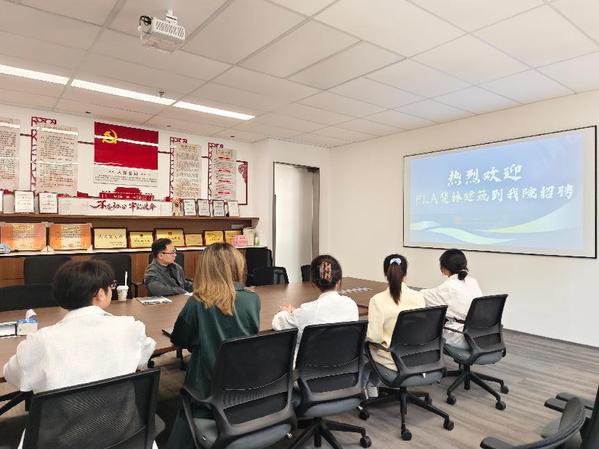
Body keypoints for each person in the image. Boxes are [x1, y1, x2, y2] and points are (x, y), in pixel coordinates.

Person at [3, 260, 156, 448]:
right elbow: (145, 356)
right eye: (110, 286)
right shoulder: (130, 327)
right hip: (125, 435)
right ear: (100, 294)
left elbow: (13, 376)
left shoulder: (41, 340)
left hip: (60, 441)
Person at [166, 243, 260, 449]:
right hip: (244, 384)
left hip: (206, 387)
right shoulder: (252, 299)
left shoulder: (198, 301)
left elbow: (179, 339)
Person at [271, 255, 359, 343]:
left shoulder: (308, 311)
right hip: (344, 352)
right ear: (339, 282)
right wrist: (296, 313)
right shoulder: (351, 305)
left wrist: (286, 312)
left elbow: (278, 324)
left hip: (312, 352)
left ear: (313, 283)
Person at [367, 254, 425, 371]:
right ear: (406, 274)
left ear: (385, 274)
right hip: (417, 356)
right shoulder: (419, 297)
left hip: (392, 359)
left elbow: (374, 338)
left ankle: (372, 383)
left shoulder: (377, 300)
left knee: (364, 350)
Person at [421, 249, 482, 348]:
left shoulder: (448, 287)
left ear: (444, 267)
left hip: (463, 336)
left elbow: (423, 296)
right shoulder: (473, 281)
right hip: (481, 333)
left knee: (428, 320)